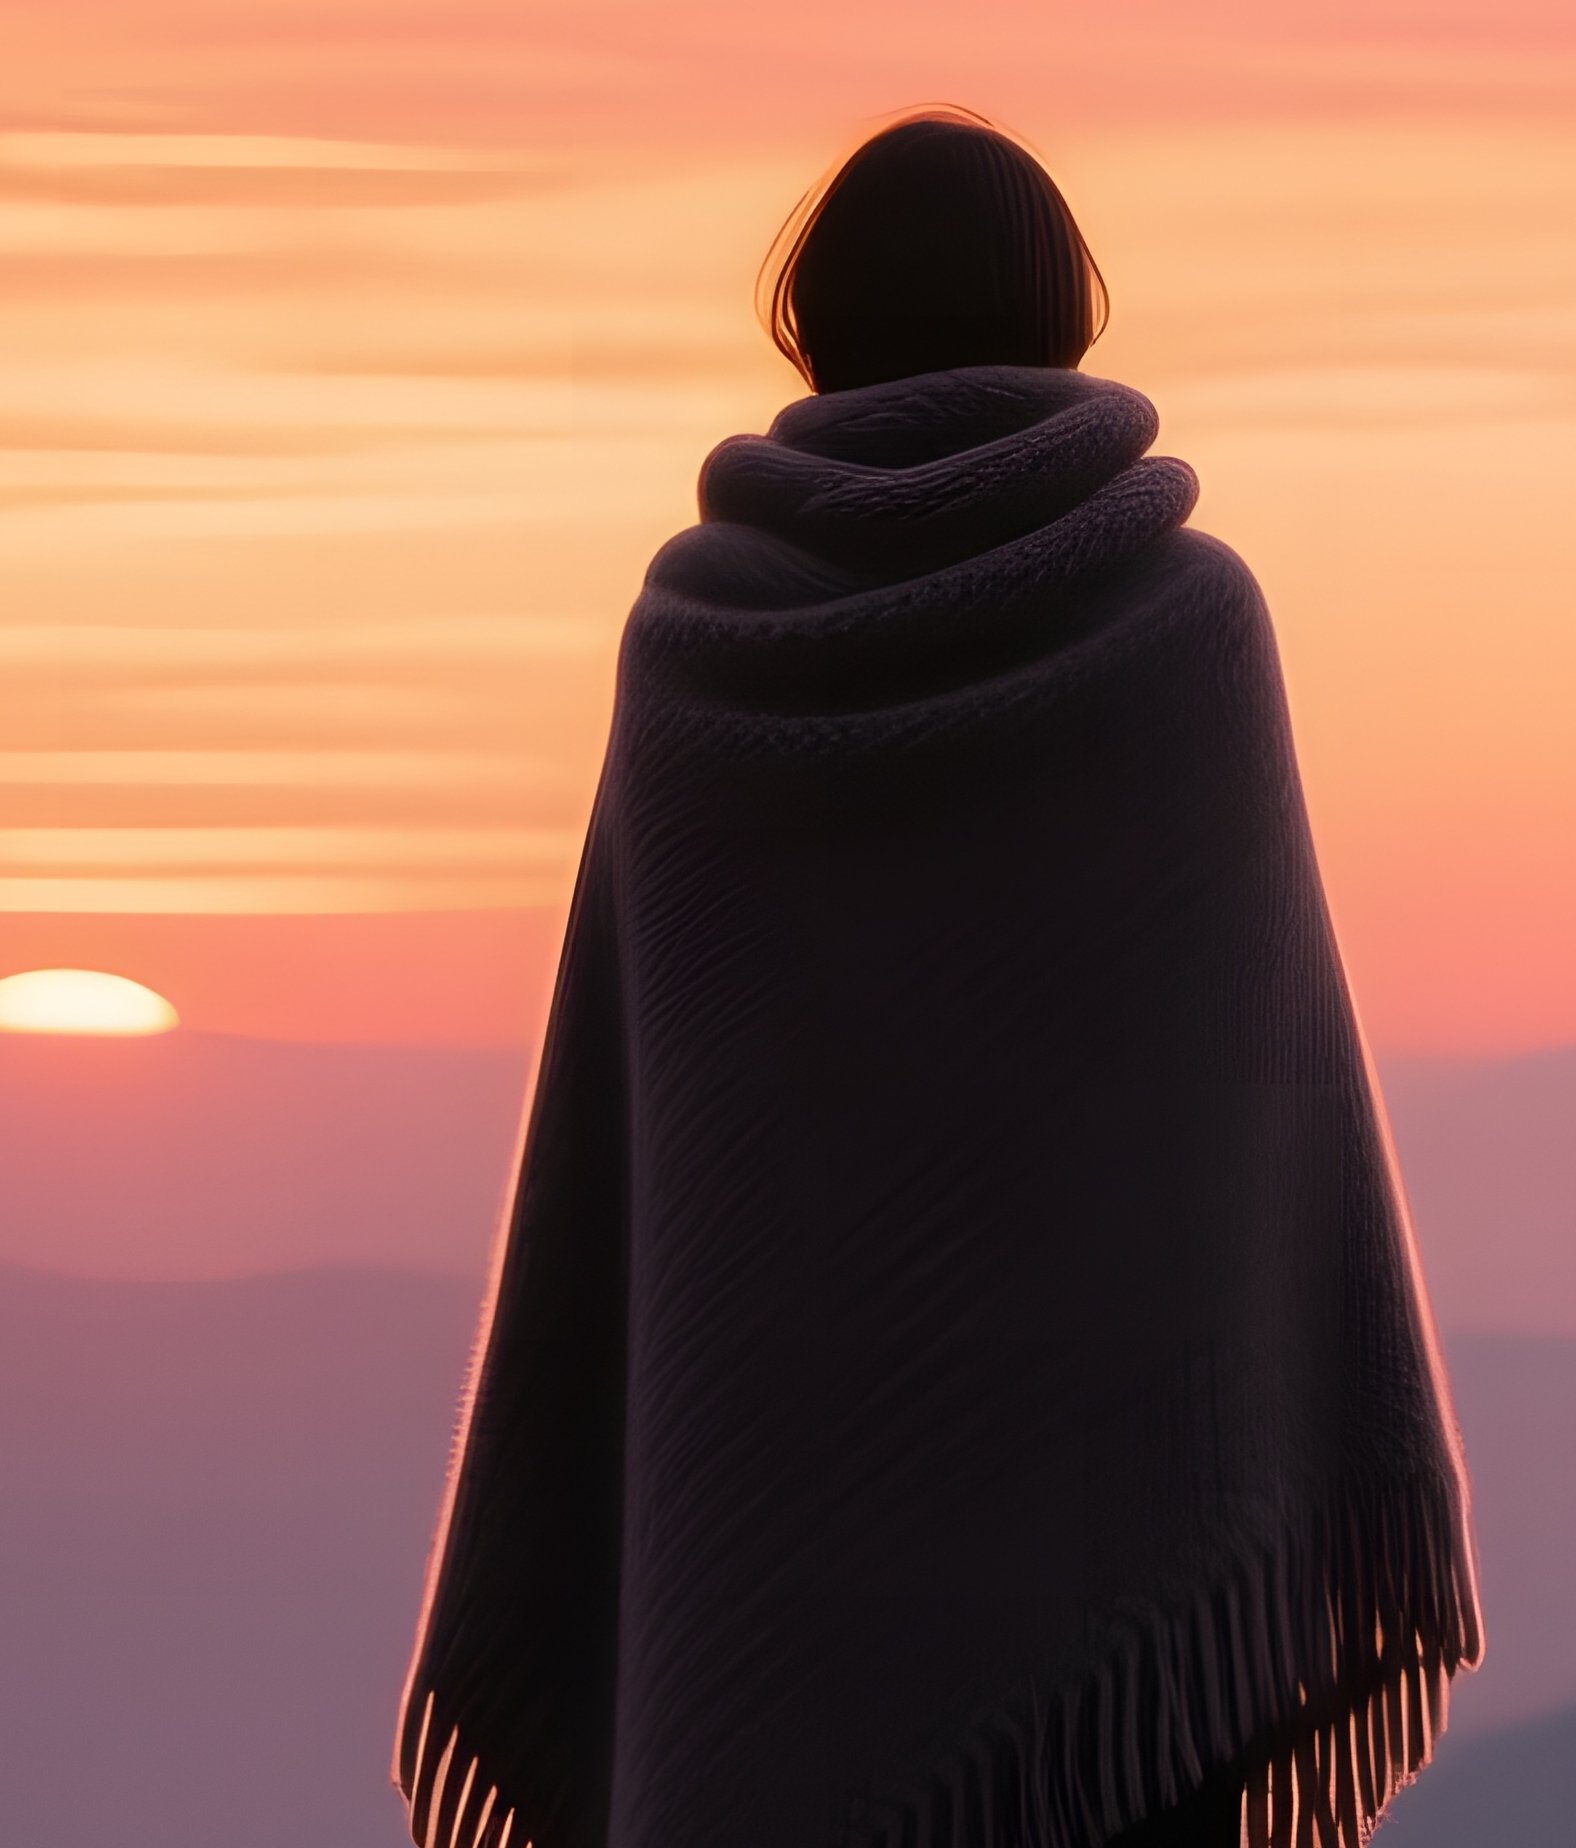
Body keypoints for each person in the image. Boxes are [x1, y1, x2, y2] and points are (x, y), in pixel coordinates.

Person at [391, 104, 1484, 1848]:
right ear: (1062, 310)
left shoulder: (699, 654)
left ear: (814, 321)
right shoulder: (1184, 627)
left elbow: (625, 1173)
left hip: (759, 1588)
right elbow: (1263, 1130)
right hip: (1124, 1624)